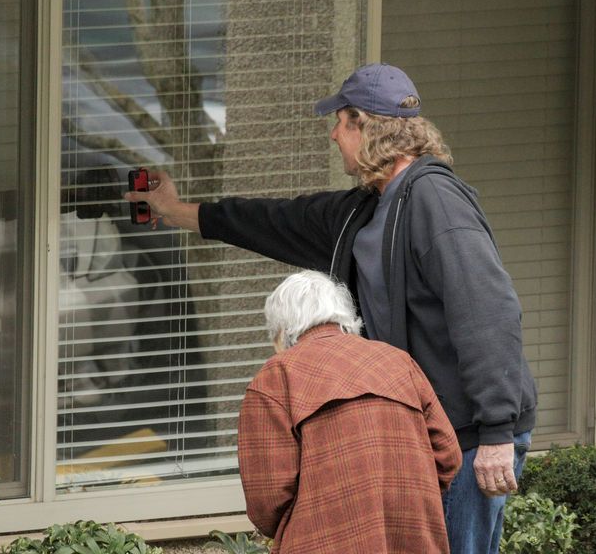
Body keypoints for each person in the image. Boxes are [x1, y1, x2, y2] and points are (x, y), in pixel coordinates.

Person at [124, 62, 537, 554]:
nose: (332, 135)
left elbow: (487, 311)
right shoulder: (365, 209)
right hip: (419, 433)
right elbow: (272, 221)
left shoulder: (435, 199)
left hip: (468, 437)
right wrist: (174, 212)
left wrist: (496, 433)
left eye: (339, 122)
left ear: (364, 123)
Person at [239, 270, 462, 553]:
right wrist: (409, 494)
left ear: (283, 330)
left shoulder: (277, 377)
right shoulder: (398, 362)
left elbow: (267, 496)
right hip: (412, 538)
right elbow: (448, 457)